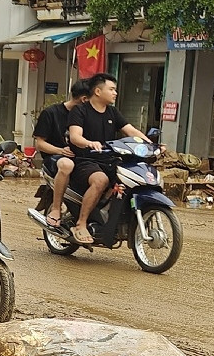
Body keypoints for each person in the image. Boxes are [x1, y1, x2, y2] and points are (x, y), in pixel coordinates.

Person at [66, 73, 154, 245]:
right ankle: (81, 223)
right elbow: (75, 136)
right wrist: (89, 143)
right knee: (101, 180)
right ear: (98, 91)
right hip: (86, 160)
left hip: (110, 160)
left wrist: (152, 145)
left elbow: (131, 131)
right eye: (112, 89)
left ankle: (112, 218)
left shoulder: (112, 112)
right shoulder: (80, 110)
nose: (115, 93)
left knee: (132, 178)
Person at [26, 79, 88, 229]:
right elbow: (40, 143)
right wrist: (61, 150)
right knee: (67, 164)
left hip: (83, 157)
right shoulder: (51, 113)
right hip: (56, 158)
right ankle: (56, 208)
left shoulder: (91, 116)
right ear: (84, 99)